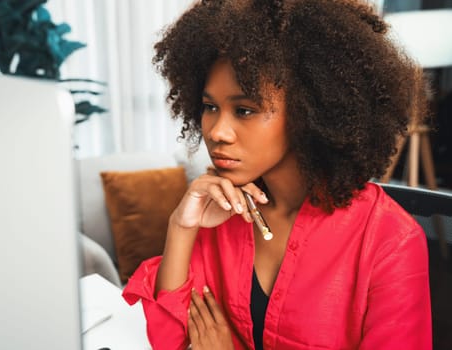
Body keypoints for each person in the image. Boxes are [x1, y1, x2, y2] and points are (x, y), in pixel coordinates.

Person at [122, 0, 432, 349]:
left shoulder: (390, 241)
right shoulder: (222, 214)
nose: (218, 132)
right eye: (210, 107)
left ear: (309, 112)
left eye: (245, 110)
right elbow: (169, 340)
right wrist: (181, 227)